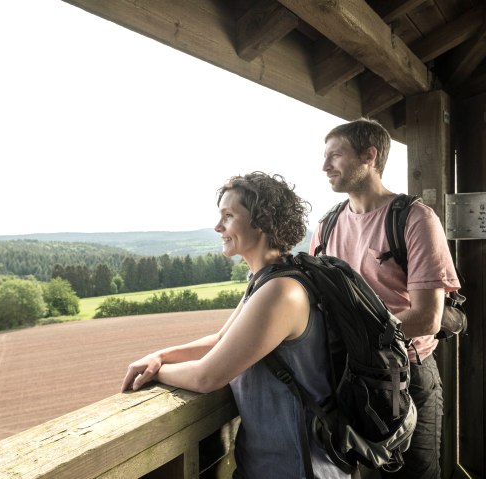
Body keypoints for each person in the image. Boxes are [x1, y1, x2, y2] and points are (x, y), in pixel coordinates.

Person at [122, 171, 349, 479]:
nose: (218, 227)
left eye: (228, 216)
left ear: (262, 221)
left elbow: (206, 377)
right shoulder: (269, 280)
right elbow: (220, 341)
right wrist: (160, 355)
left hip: (299, 469)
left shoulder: (281, 291)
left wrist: (155, 373)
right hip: (269, 465)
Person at [309, 118, 460, 479]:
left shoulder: (414, 218)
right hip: (346, 376)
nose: (324, 166)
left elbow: (426, 319)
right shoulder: (326, 226)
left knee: (416, 474)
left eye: (335, 155)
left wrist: (353, 334)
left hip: (403, 374)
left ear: (369, 156)